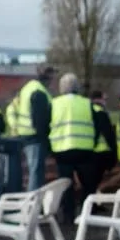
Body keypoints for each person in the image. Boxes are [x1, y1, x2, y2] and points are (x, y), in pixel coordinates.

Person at [47, 73, 101, 219]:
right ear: (77, 87)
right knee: (88, 184)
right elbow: (97, 125)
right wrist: (92, 142)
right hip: (85, 150)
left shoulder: (54, 103)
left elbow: (47, 126)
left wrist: (50, 148)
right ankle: (86, 213)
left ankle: (68, 215)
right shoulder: (87, 103)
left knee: (66, 185)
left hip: (62, 150)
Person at [3, 65, 56, 194]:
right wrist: (46, 139)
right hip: (34, 137)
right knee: (36, 172)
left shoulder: (27, 89)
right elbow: (40, 120)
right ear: (48, 77)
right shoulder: (39, 92)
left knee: (30, 171)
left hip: (24, 136)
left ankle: (30, 200)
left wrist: (15, 128)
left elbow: (10, 109)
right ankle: (32, 202)